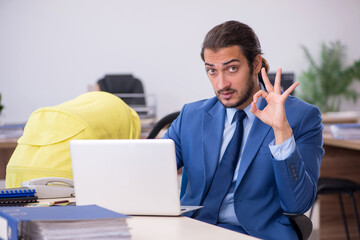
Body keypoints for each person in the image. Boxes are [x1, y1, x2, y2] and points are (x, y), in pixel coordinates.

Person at [163, 20, 324, 240]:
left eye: (232, 69)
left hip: (258, 234)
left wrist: (281, 132)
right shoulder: (191, 115)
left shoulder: (301, 117)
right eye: (211, 71)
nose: (221, 84)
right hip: (193, 230)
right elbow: (150, 173)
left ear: (256, 64)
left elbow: (299, 204)